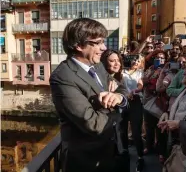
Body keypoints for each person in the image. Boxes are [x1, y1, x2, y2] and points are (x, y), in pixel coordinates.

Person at [50, 18, 128, 172]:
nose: (104, 47)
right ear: (78, 45)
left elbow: (121, 88)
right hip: (86, 162)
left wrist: (119, 98)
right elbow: (93, 124)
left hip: (114, 152)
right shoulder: (62, 77)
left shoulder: (97, 65)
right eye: (98, 43)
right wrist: (116, 104)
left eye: (103, 42)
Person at [121, 55, 145, 172]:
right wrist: (125, 93)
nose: (136, 62)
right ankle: (125, 151)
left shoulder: (140, 72)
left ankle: (140, 156)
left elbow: (140, 84)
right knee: (122, 129)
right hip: (122, 101)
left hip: (135, 102)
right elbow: (118, 85)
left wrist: (136, 90)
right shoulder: (121, 72)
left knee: (136, 131)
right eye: (134, 60)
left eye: (138, 60)